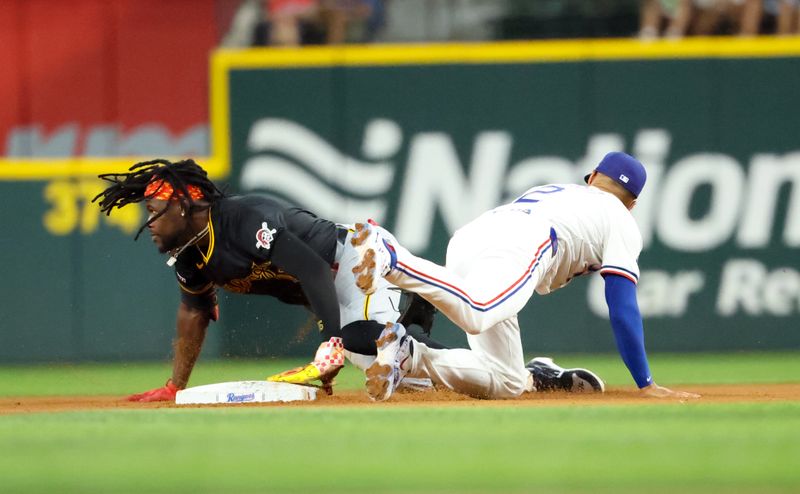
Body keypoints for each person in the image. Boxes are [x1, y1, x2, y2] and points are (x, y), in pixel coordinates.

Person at [349, 152, 702, 401]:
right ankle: (391, 255)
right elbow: (622, 305)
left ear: (592, 177)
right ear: (633, 204)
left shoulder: (564, 191)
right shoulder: (622, 219)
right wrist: (646, 382)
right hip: (527, 242)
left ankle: (408, 356)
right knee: (477, 313)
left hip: (477, 233)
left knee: (507, 380)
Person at [93, 158, 442, 402]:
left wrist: (330, 343)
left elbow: (314, 270)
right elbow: (194, 313)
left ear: (182, 206)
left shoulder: (243, 220)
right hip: (334, 291)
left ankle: (410, 314)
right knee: (394, 370)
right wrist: (174, 386)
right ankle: (450, 359)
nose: (149, 222)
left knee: (358, 341)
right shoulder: (190, 254)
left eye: (154, 211)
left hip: (355, 257)